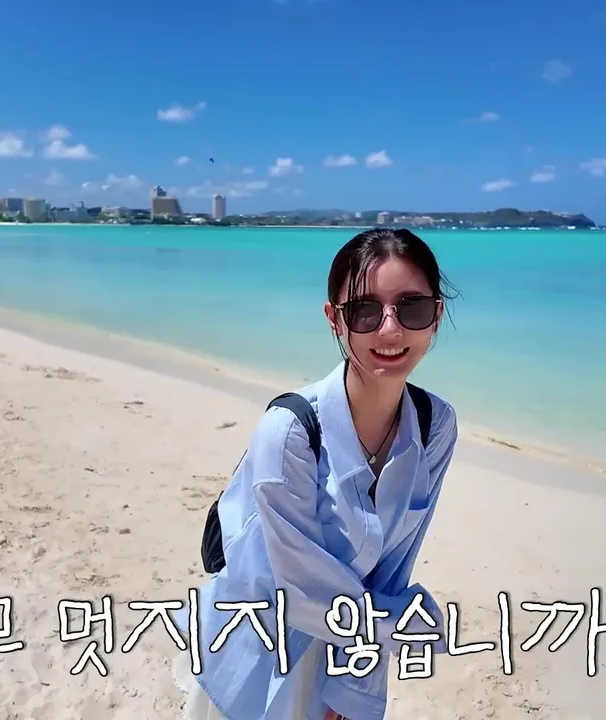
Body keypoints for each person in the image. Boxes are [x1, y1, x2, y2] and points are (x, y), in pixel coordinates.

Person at [172, 228, 460, 720]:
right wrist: (414, 626)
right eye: (365, 311)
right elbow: (302, 593)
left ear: (435, 315)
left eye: (410, 307)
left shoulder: (435, 425)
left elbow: (393, 569)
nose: (390, 329)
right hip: (255, 649)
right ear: (335, 319)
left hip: (345, 648)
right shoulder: (290, 431)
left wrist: (354, 689)